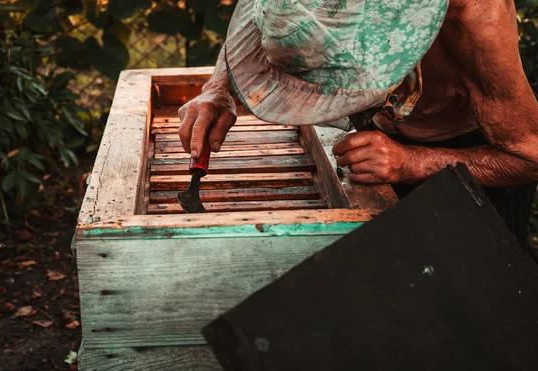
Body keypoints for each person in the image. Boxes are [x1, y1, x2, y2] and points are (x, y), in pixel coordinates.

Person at [177, 0, 538, 244]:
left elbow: (531, 154)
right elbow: (262, 13)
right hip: (381, 148)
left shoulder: (475, 15)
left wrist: (411, 162)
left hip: (473, 167)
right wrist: (219, 86)